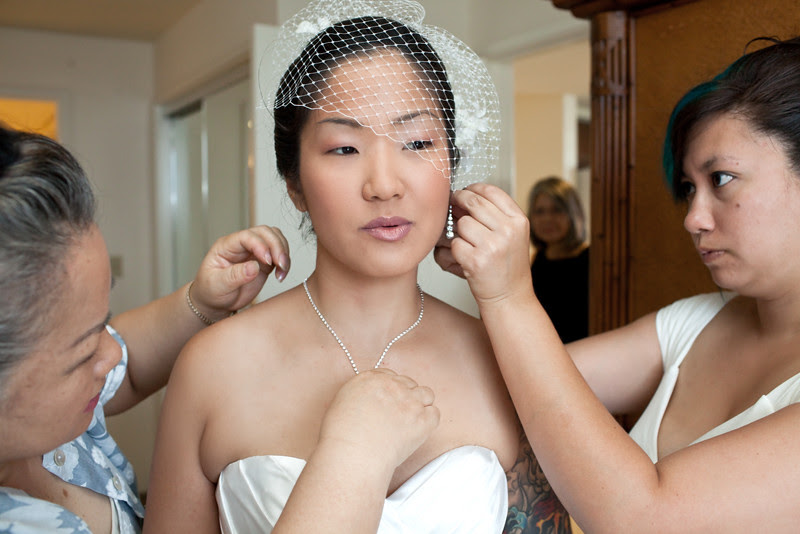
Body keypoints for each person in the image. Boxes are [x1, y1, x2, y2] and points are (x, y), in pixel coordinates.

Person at [144, 1, 570, 533]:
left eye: (418, 143)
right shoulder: (212, 365)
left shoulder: (505, 360)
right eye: (345, 148)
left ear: (451, 165)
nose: (385, 185)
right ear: (294, 182)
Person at [436, 36, 800, 531]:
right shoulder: (693, 322)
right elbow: (505, 386)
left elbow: (641, 517)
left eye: (721, 179)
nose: (693, 218)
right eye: (689, 188)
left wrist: (509, 296)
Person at [0, 123, 436, 534]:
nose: (110, 352)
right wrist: (353, 458)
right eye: (82, 352)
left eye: (103, 326)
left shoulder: (60, 394)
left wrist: (201, 302)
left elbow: (127, 362)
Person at [527, 176, 589, 342]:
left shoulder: (591, 260)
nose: (547, 219)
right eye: (539, 211)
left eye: (557, 210)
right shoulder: (534, 260)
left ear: (574, 214)